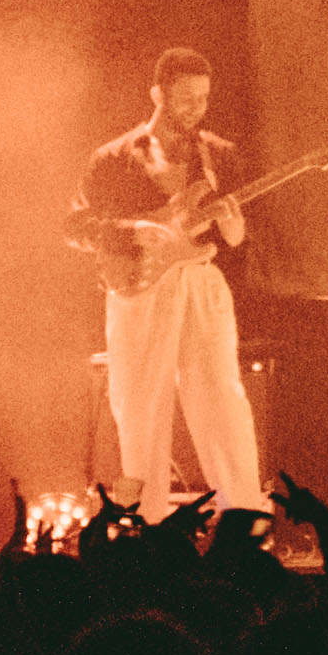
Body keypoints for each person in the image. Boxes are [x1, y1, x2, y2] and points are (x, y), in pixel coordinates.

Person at [73, 45, 265, 517]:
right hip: (140, 288)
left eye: (202, 98)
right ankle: (142, 527)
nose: (195, 108)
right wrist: (134, 230)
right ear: (156, 93)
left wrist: (234, 227)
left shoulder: (219, 155)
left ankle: (243, 524)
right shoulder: (114, 157)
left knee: (223, 403)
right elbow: (75, 227)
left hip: (201, 283)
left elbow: (237, 239)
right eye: (184, 97)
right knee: (139, 409)